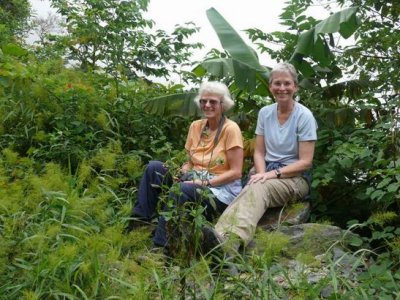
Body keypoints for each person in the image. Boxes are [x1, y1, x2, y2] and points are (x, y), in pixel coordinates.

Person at [202, 62, 318, 256]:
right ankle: (218, 237)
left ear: (295, 87)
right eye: (277, 83)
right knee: (253, 184)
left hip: (295, 177)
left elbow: (305, 162)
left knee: (258, 187)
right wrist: (262, 173)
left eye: (287, 83)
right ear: (271, 86)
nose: (282, 88)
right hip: (267, 170)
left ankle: (228, 244)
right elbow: (258, 152)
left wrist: (270, 175)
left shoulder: (304, 116)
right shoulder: (265, 113)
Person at [126, 81, 244, 252]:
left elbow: (236, 172)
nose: (207, 105)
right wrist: (183, 172)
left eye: (212, 101)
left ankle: (161, 248)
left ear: (222, 104)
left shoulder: (231, 129)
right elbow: (189, 162)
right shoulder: (196, 127)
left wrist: (205, 183)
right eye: (204, 101)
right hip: (193, 180)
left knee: (180, 189)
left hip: (219, 191)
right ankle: (139, 225)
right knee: (154, 168)